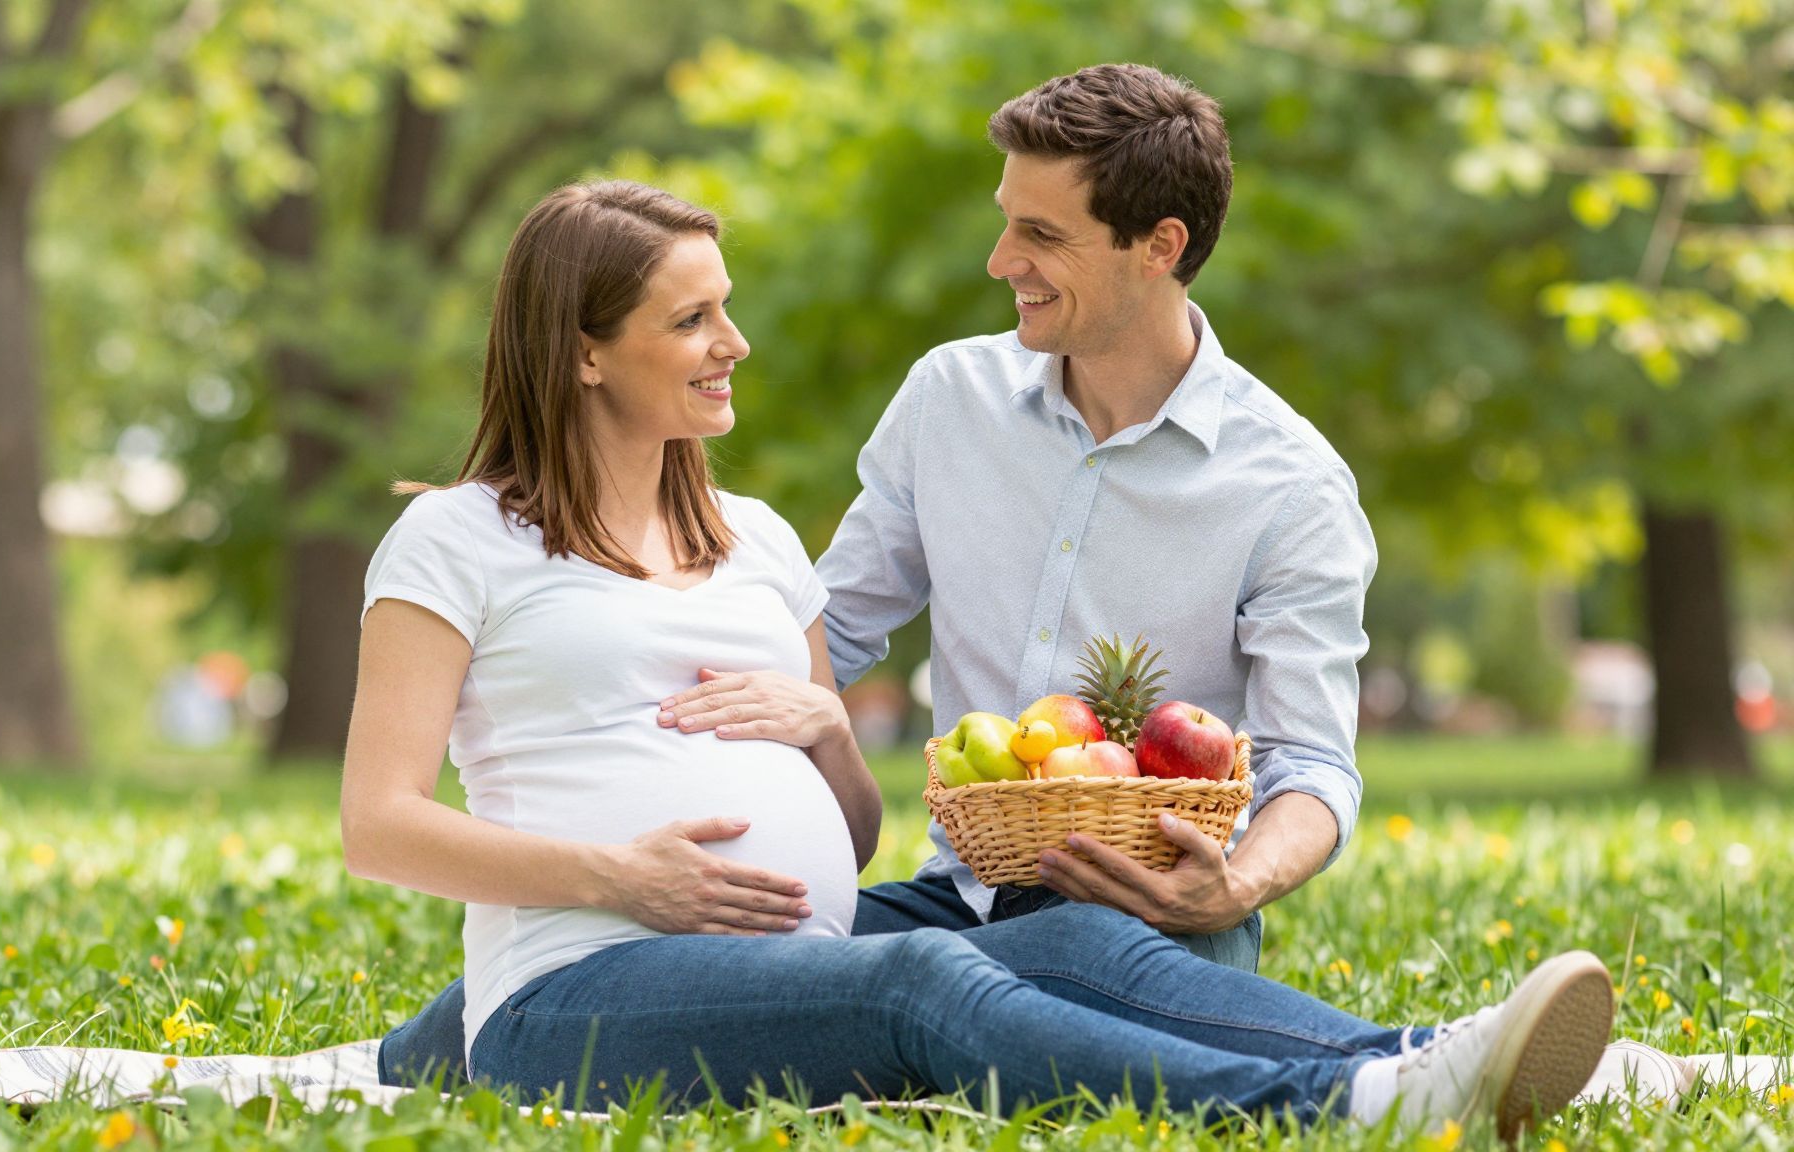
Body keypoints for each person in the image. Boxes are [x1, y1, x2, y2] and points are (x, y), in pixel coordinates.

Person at [346, 178, 1614, 1140]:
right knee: (920, 977)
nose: (734, 341)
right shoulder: (457, 541)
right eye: (693, 318)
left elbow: (843, 844)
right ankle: (1344, 1107)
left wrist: (830, 737)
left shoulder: (758, 544)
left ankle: (1440, 1053)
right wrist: (615, 874)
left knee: (1078, 943)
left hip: (789, 959)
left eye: (726, 307)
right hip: (575, 992)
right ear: (580, 349)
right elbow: (378, 826)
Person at [391, 61, 1372, 1080]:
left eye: (1040, 235)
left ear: (1157, 247)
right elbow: (824, 629)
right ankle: (388, 1061)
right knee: (664, 961)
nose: (1001, 261)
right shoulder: (950, 398)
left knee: (989, 972)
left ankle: (1385, 1075)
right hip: (964, 894)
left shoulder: (1287, 484)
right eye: (1004, 221)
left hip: (1153, 903)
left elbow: (1311, 762)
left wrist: (1236, 886)